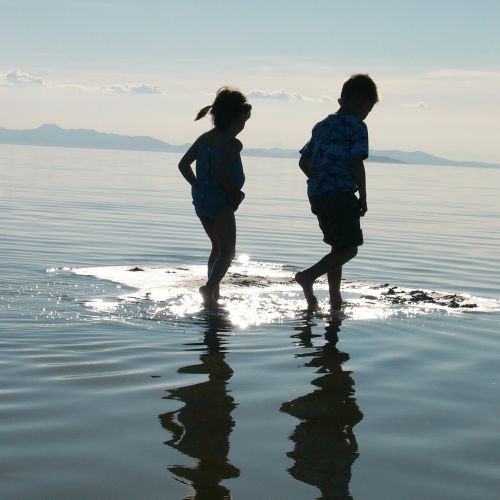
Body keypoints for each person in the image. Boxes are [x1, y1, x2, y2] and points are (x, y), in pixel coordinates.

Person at [295, 74, 379, 310]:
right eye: (369, 109)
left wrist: (320, 180)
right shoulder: (357, 126)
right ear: (363, 103)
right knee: (349, 248)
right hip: (341, 194)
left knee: (338, 247)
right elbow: (356, 162)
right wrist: (363, 196)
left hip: (317, 194)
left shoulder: (321, 125)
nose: (367, 114)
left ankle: (335, 298)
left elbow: (303, 162)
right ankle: (308, 276)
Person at [178, 87, 252, 308]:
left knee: (217, 248)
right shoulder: (232, 143)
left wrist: (197, 186)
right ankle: (209, 287)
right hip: (220, 200)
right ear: (234, 119)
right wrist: (231, 194)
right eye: (243, 120)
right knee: (228, 251)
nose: (243, 126)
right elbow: (221, 171)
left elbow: (183, 165)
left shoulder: (204, 138)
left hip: (201, 199)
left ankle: (214, 294)